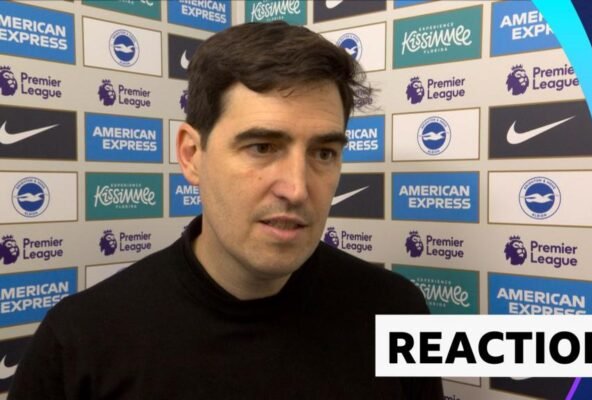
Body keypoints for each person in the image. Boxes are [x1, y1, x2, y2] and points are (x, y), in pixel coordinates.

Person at [9, 21, 443, 399]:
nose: (297, 188)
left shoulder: (397, 310)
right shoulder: (80, 340)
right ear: (191, 155)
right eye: (262, 147)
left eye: (323, 153)